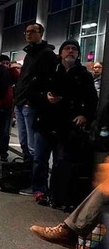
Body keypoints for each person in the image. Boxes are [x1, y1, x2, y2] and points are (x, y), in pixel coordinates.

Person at [24, 39, 97, 205]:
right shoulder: (49, 71)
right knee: (40, 159)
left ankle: (56, 192)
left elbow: (92, 99)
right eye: (67, 49)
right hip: (46, 121)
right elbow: (32, 92)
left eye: (74, 49)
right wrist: (46, 98)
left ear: (78, 54)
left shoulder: (83, 75)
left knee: (60, 161)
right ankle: (39, 190)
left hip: (67, 124)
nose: (70, 51)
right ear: (61, 52)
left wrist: (85, 115)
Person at [13, 23, 58, 162]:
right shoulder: (30, 54)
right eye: (26, 31)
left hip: (30, 104)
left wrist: (31, 100)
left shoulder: (46, 54)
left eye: (32, 31)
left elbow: (44, 80)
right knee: (24, 142)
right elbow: (25, 78)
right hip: (21, 102)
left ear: (41, 34)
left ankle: (35, 177)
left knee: (33, 145)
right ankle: (28, 172)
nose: (28, 34)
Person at [0, 54, 17, 162]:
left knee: (5, 132)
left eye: (7, 63)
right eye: (3, 63)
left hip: (7, 107)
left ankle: (3, 153)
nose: (6, 65)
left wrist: (12, 69)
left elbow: (18, 78)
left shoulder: (10, 73)